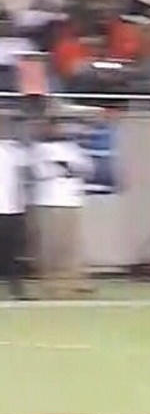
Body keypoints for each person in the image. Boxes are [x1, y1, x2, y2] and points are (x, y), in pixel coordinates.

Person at [28, 111, 94, 298]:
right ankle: (52, 284)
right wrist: (66, 168)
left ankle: (74, 281)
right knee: (50, 246)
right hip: (48, 202)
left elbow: (87, 168)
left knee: (71, 245)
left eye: (57, 125)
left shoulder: (72, 147)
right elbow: (42, 171)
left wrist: (64, 167)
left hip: (71, 201)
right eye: (50, 126)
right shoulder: (38, 149)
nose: (55, 129)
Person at [0, 119, 27, 300]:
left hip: (13, 208)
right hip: (8, 207)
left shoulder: (14, 150)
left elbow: (25, 174)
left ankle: (16, 288)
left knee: (12, 251)